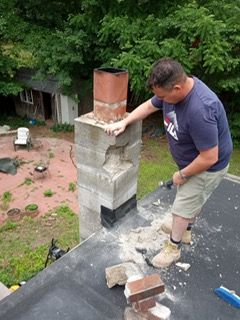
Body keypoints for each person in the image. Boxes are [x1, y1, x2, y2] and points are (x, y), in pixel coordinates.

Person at [104, 57, 233, 268]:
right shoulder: (171, 94)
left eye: (162, 95)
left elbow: (209, 157)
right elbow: (148, 106)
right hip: (193, 161)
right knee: (191, 199)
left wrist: (182, 175)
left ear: (177, 87)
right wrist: (125, 121)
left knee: (181, 208)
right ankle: (186, 232)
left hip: (208, 168)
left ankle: (173, 248)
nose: (159, 99)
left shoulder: (201, 109)